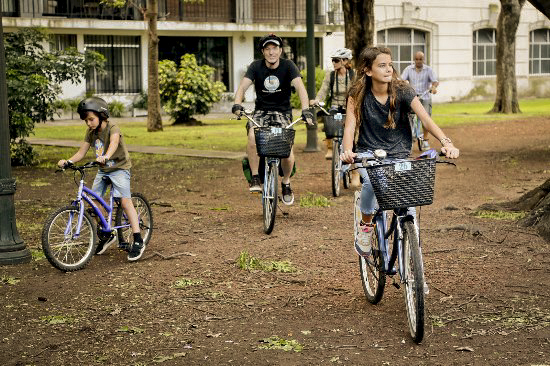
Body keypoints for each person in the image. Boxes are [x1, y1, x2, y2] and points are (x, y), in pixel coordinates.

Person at [340, 46, 459, 261]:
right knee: (370, 184)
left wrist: (446, 142)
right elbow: (350, 126)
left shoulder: (403, 90)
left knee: (410, 213)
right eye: (382, 65)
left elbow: (426, 120)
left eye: (390, 64)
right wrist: (348, 151)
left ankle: (415, 273)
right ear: (368, 70)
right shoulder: (357, 94)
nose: (388, 69)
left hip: (400, 155)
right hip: (370, 154)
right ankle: (365, 226)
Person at [57, 96, 146, 261]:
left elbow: (113, 143)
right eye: (86, 120)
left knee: (125, 201)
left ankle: (138, 239)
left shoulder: (113, 127)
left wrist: (106, 156)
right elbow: (81, 152)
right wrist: (68, 161)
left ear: (102, 115)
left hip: (119, 168)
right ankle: (108, 233)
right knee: (93, 202)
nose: (89, 123)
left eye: (91, 119)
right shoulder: (90, 132)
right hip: (104, 170)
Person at [232, 33, 314, 205]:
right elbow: (242, 87)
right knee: (253, 137)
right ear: (263, 51)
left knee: (287, 152)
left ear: (280, 50)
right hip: (261, 112)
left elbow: (300, 88)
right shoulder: (256, 66)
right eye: (267, 49)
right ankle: (255, 177)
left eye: (274, 48)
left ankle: (286, 182)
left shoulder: (288, 66)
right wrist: (237, 104)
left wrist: (305, 110)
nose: (271, 52)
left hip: (283, 114)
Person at [310, 48, 355, 160]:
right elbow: (323, 90)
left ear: (345, 61)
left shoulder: (354, 75)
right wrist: (317, 100)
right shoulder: (330, 75)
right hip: (335, 105)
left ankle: (353, 148)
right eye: (333, 61)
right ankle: (330, 148)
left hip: (350, 106)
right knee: (329, 121)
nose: (333, 63)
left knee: (354, 127)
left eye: (336, 60)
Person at [400, 51, 439, 151]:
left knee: (426, 119)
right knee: (409, 118)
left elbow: (435, 81)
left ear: (423, 59)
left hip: (424, 97)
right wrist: (405, 83)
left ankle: (425, 140)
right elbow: (402, 80)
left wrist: (433, 87)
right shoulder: (408, 69)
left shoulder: (428, 70)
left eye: (420, 59)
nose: (418, 61)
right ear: (414, 60)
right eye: (416, 59)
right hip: (412, 98)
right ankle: (409, 140)